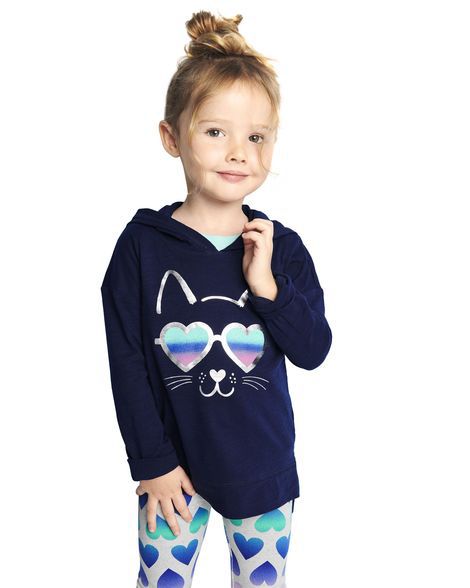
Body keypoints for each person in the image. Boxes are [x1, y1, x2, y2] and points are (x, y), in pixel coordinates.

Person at [100, 10, 333, 588]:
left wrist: (268, 288)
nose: (238, 153)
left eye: (256, 137)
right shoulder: (141, 247)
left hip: (263, 475)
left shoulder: (282, 247)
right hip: (170, 476)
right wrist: (152, 462)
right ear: (171, 137)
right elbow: (127, 362)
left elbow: (313, 350)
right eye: (215, 132)